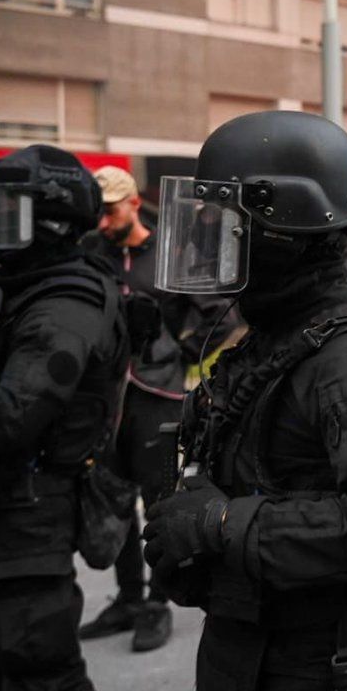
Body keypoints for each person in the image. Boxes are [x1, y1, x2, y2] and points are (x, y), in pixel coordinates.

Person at [140, 111, 347, 691]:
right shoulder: (277, 339)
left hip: (322, 666)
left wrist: (223, 524)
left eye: (225, 221)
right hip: (250, 645)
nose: (209, 234)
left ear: (278, 229)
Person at [0, 145, 129, 691]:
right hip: (2, 511)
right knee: (3, 676)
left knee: (44, 689)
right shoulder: (25, 288)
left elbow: (17, 413)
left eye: (4, 211)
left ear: (50, 219)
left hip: (31, 518)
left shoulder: (65, 301)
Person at [78, 165, 235, 652]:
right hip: (105, 398)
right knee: (112, 496)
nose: (103, 223)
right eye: (97, 214)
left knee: (156, 499)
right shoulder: (93, 255)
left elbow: (220, 312)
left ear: (129, 204)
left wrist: (182, 355)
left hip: (155, 395)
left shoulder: (170, 254)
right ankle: (126, 598)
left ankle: (155, 603)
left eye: (109, 211)